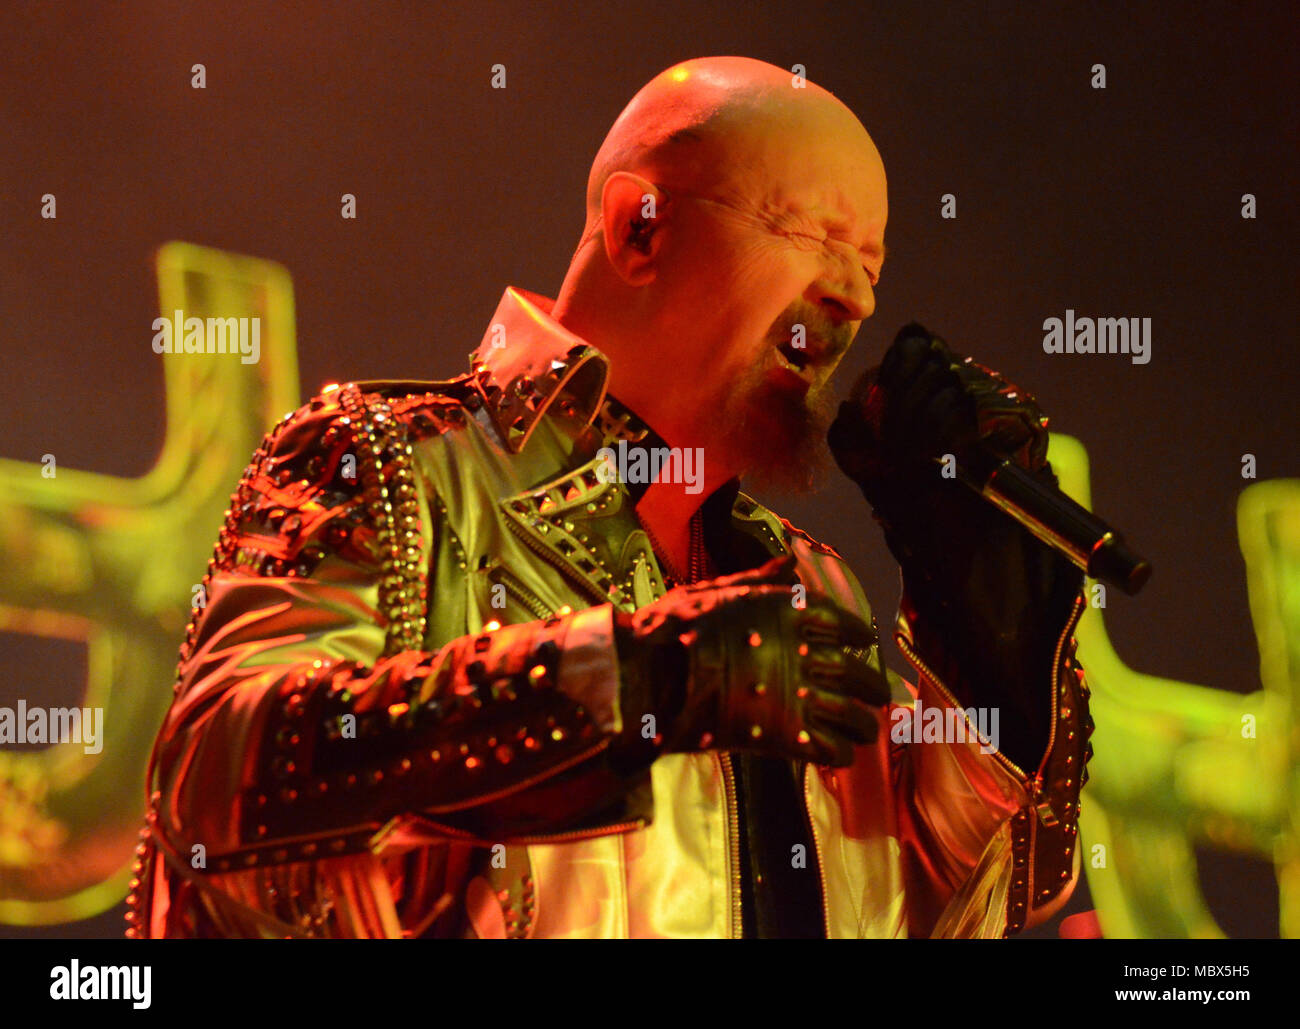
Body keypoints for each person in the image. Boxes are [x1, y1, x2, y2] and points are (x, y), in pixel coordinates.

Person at [127, 56, 1092, 939]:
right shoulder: (392, 465)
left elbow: (956, 910)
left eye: (871, 267)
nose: (855, 300)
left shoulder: (808, 584)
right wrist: (638, 683)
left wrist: (992, 665)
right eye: (809, 233)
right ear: (641, 224)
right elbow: (220, 783)